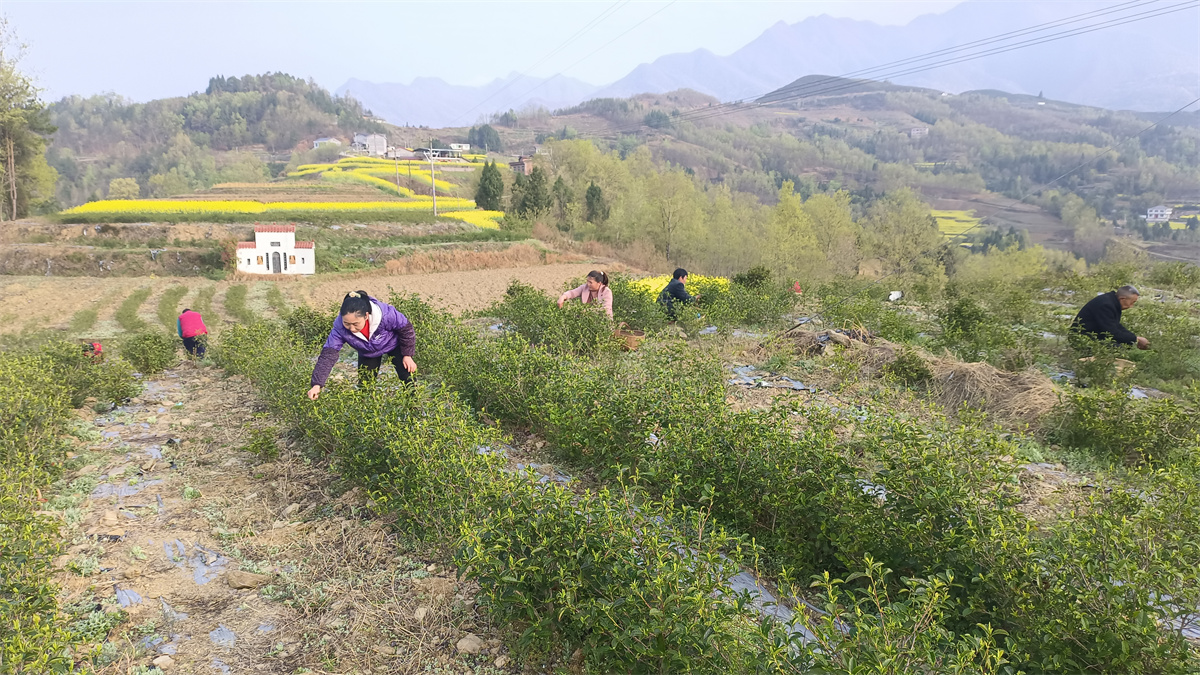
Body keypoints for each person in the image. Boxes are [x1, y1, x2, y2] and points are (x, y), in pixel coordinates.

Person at [308, 290, 416, 400]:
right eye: (347, 323)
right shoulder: (339, 328)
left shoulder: (386, 314)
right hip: (368, 352)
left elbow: (406, 329)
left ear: (366, 316)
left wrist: (407, 355)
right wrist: (317, 384)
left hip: (394, 345)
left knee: (409, 380)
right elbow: (328, 355)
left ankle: (414, 412)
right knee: (365, 388)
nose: (352, 328)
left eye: (355, 324)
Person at [1070, 285, 1150, 351]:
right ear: (1122, 299)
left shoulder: (1112, 302)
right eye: (1132, 302)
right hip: (1082, 338)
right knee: (1119, 349)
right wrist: (1136, 339)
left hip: (1094, 335)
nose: (1131, 306)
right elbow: (1112, 332)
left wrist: (1134, 338)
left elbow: (1116, 326)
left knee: (1126, 345)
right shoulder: (1105, 305)